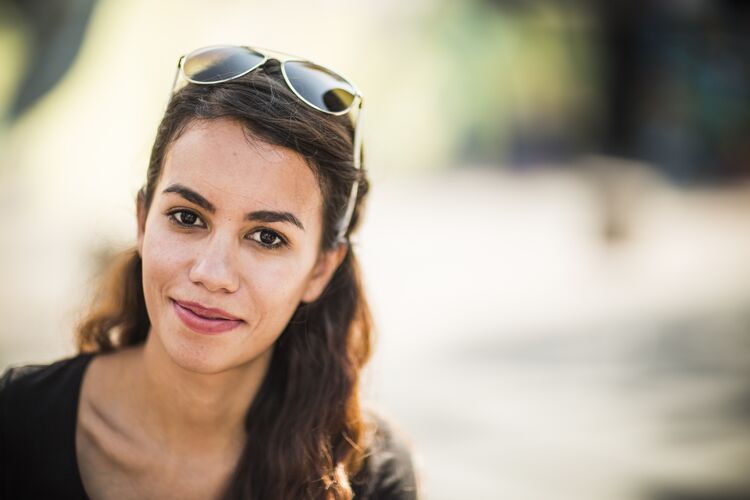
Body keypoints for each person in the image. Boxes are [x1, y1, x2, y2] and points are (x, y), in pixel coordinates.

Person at [0, 45, 418, 499]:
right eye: (187, 217)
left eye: (268, 238)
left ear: (320, 269)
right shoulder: (16, 421)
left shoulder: (366, 474)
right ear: (143, 222)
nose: (211, 273)